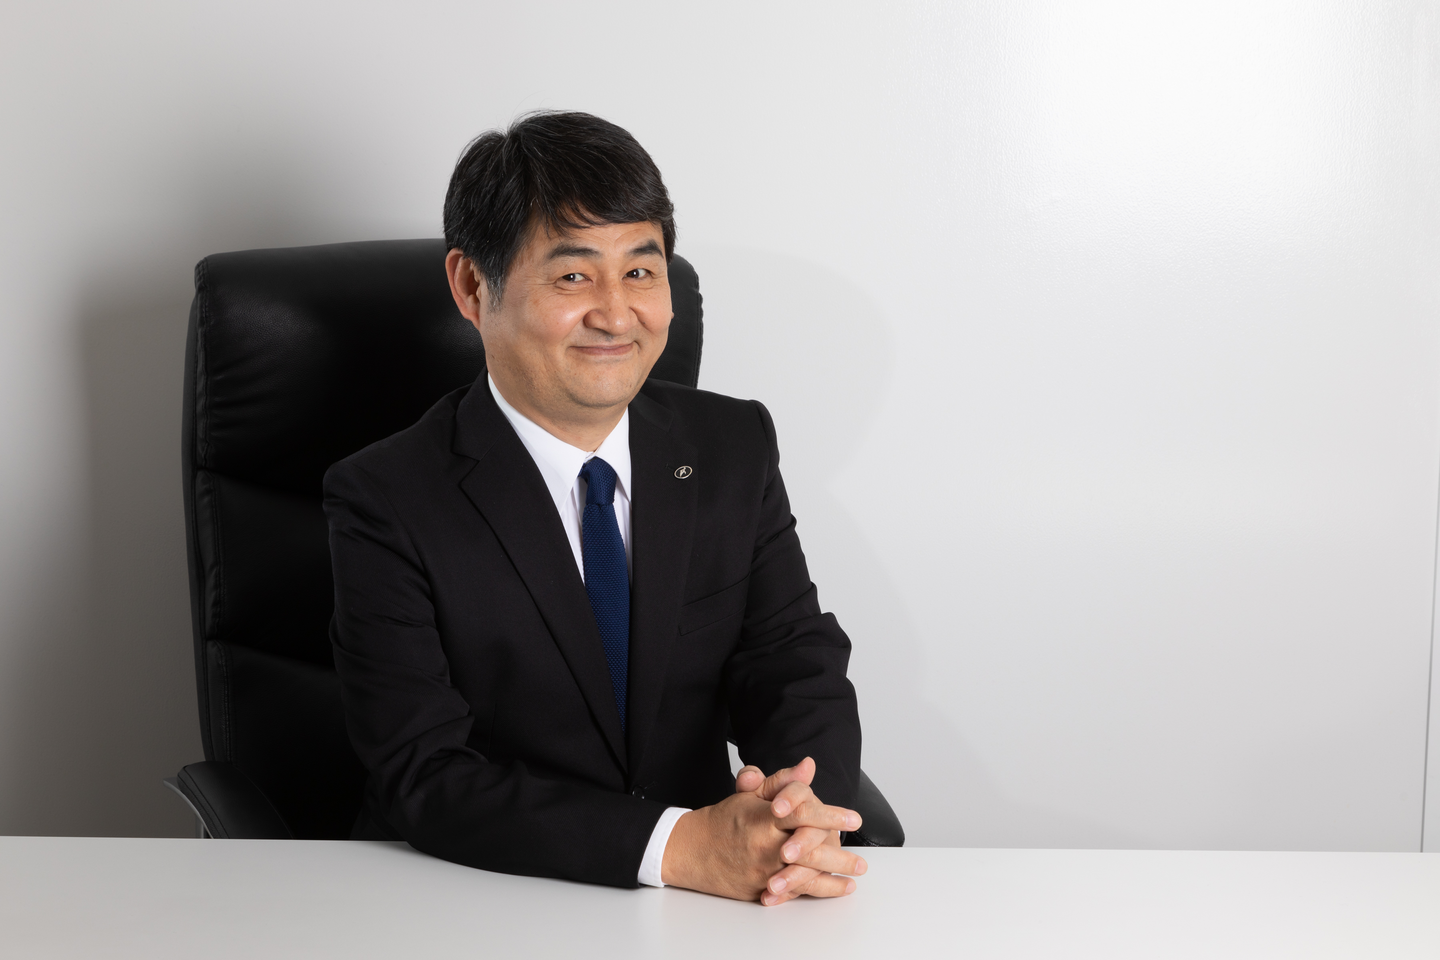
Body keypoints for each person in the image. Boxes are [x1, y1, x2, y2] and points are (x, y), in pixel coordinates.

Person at [323, 111, 866, 906]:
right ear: (472, 287)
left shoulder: (732, 445)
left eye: (641, 271)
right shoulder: (386, 498)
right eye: (574, 277)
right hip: (481, 896)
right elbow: (423, 773)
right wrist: (678, 846)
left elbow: (792, 661)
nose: (616, 314)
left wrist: (800, 814)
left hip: (710, 905)